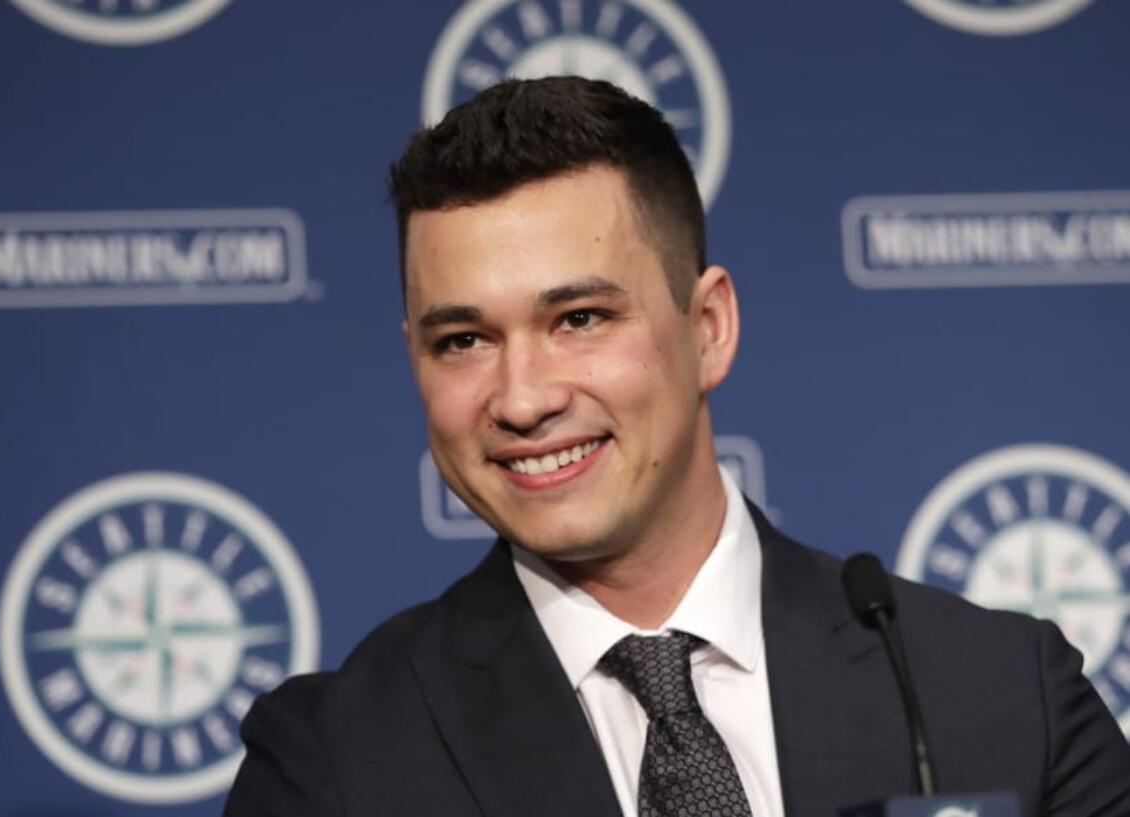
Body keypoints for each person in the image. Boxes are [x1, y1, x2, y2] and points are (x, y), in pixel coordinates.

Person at [224, 77, 1130, 816]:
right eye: (463, 339)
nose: (523, 397)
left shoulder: (1001, 696)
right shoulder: (333, 763)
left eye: (579, 318)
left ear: (708, 328)